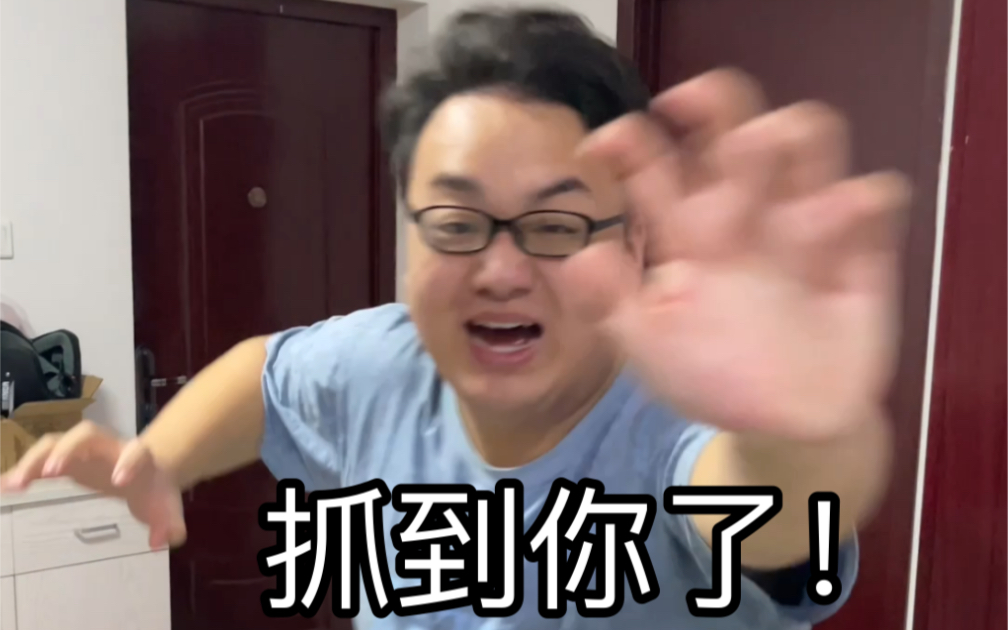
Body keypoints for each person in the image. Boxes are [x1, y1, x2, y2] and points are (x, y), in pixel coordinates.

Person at [0, 7, 908, 630]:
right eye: (457, 223)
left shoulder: (677, 407)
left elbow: (770, 512)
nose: (501, 271)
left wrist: (796, 431)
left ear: (635, 239)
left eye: (555, 226)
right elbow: (263, 372)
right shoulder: (384, 360)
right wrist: (160, 457)